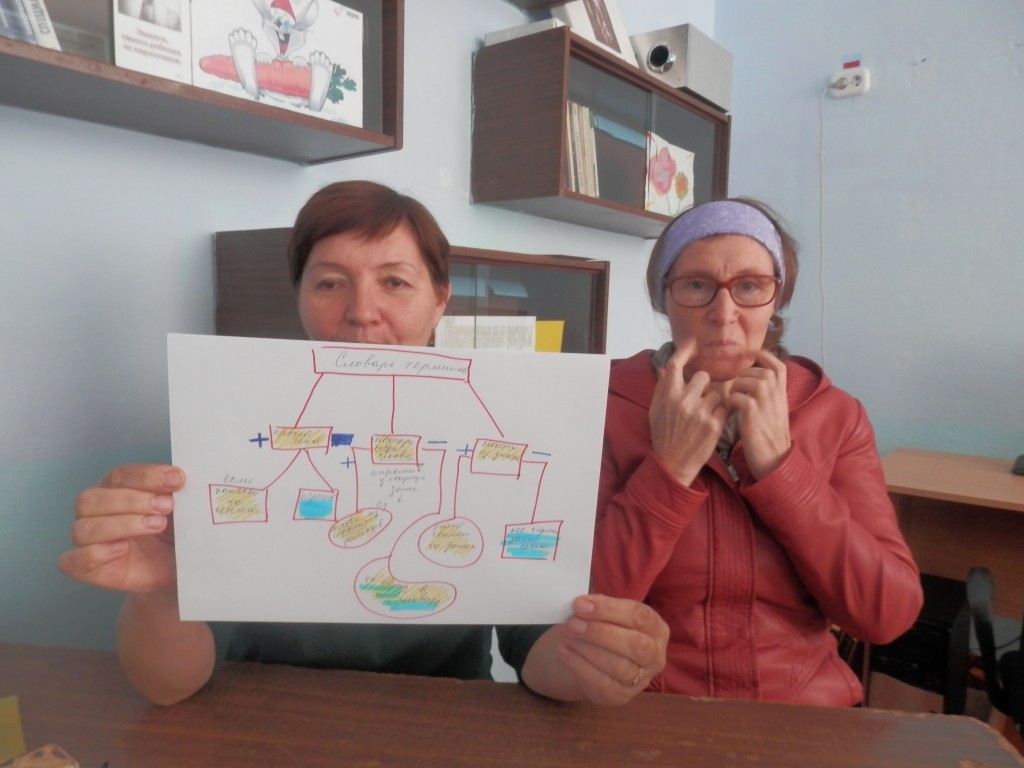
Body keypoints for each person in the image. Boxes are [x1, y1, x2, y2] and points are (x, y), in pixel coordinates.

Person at [59, 180, 668, 707]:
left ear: (440, 299)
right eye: (330, 283)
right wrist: (161, 591)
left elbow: (540, 656)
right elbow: (168, 687)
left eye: (395, 282)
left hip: (444, 724)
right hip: (260, 723)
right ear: (299, 298)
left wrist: (601, 663)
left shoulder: (496, 429)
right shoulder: (230, 435)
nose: (361, 312)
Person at [591, 197, 923, 706]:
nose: (724, 315)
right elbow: (577, 608)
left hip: (802, 717)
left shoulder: (835, 415)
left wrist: (782, 472)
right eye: (696, 285)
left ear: (776, 298)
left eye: (749, 287)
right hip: (649, 710)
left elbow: (885, 614)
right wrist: (668, 472)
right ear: (664, 297)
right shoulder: (603, 405)